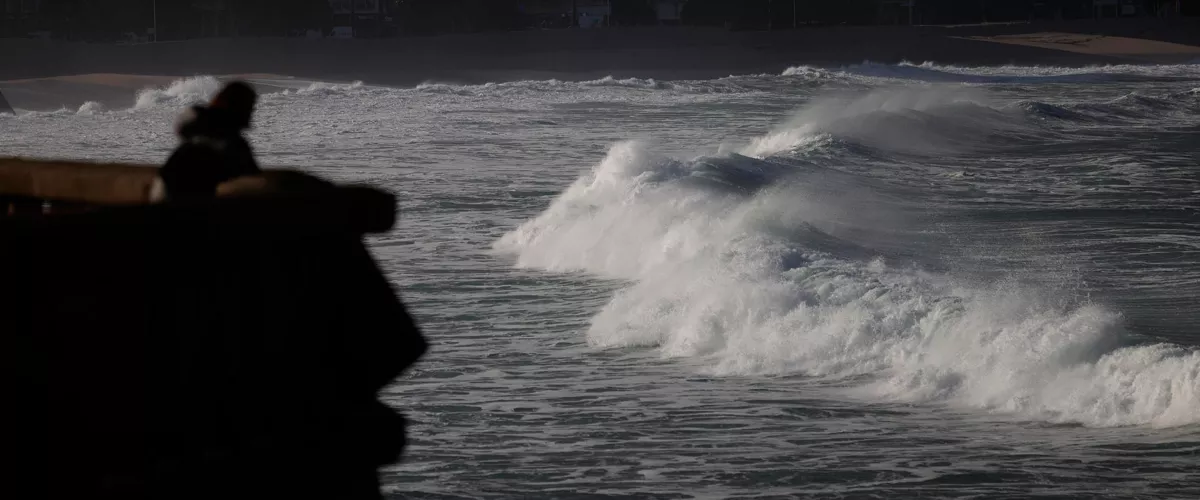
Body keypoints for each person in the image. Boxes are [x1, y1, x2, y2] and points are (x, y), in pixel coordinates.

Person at [157, 81, 261, 200]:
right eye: (250, 107)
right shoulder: (233, 143)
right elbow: (252, 179)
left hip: (165, 190)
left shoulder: (196, 123)